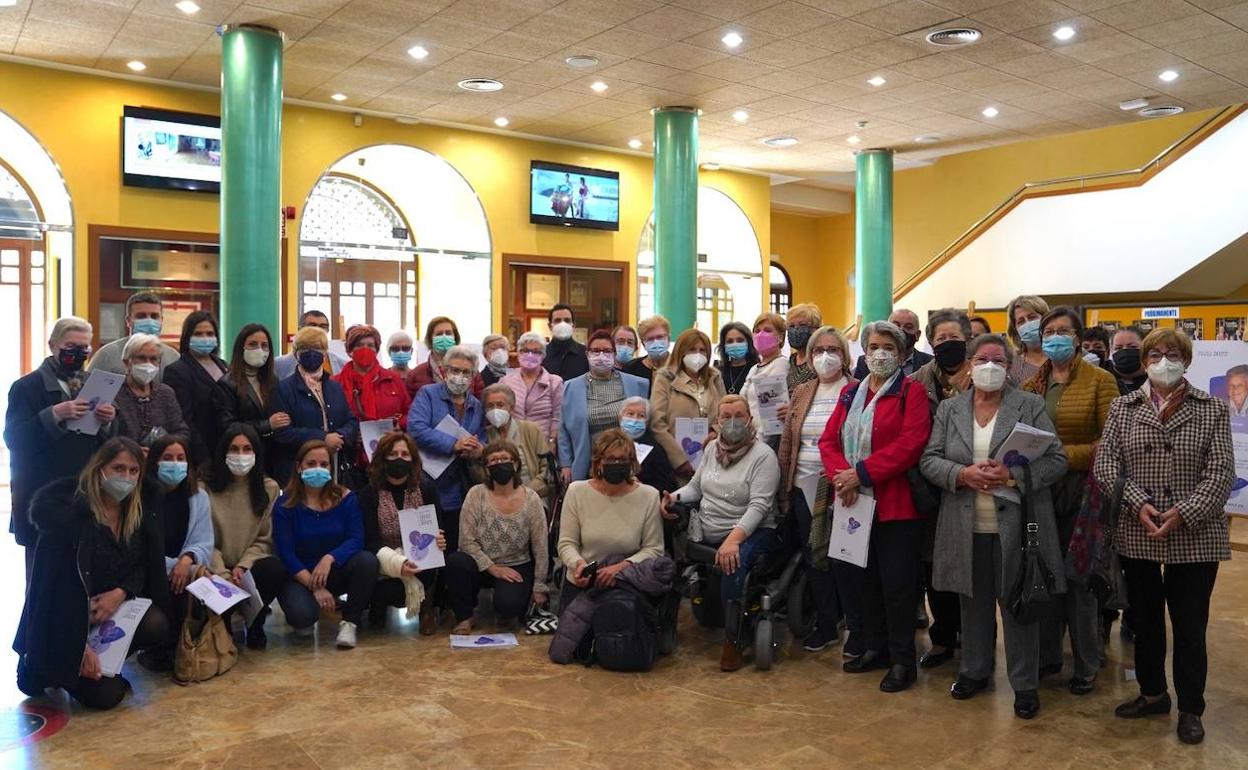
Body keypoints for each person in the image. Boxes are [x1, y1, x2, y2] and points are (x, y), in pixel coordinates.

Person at [1093, 328, 1235, 746]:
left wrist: (1185, 512)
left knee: (1190, 626)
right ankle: (1152, 693)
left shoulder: (1212, 408)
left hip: (1194, 533)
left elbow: (1221, 471)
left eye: (1172, 353)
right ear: (1144, 362)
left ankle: (1191, 707)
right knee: (1146, 622)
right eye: (1154, 354)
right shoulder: (1123, 408)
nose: (1163, 360)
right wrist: (1138, 504)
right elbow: (1106, 467)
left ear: (1186, 360)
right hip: (1138, 531)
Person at [919, 333, 1068, 717]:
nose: (989, 367)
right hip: (965, 525)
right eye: (982, 359)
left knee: (1018, 606)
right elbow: (929, 460)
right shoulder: (950, 410)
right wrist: (963, 474)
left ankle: (1024, 684)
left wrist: (1013, 475)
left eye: (998, 361)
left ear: (1009, 366)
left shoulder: (1029, 405)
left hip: (1017, 527)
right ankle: (974, 670)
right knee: (973, 605)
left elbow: (1056, 460)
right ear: (969, 365)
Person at [16, 437, 171, 709]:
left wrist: (121, 593)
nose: (126, 477)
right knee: (98, 695)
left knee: (156, 624)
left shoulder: (138, 514)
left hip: (109, 613)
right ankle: (65, 667)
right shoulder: (67, 518)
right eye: (118, 469)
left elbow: (142, 567)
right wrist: (78, 648)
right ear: (99, 469)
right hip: (66, 618)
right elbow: (49, 591)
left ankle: (111, 660)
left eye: (133, 471)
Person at [819, 320, 933, 693]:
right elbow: (828, 442)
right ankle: (875, 648)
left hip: (896, 506)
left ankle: (903, 661)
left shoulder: (911, 392)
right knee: (862, 582)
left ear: (901, 354)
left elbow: (910, 444)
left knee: (897, 586)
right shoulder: (851, 394)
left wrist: (861, 474)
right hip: (853, 503)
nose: (880, 353)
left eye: (888, 347)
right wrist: (843, 477)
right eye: (874, 346)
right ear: (864, 352)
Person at [1021, 305, 1119, 696]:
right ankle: (1048, 656)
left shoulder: (1100, 380)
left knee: (1078, 577)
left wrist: (1060, 456)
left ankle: (1087, 663)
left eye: (1064, 330)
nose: (1055, 337)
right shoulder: (1031, 387)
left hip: (1085, 491)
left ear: (1078, 337)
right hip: (1042, 490)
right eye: (1049, 331)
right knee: (1044, 572)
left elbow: (1108, 441)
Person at [663, 395, 781, 671]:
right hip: (709, 525)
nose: (732, 422)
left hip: (753, 529)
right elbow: (695, 487)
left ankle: (734, 638)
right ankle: (664, 621)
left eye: (739, 415)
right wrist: (673, 498)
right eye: (725, 416)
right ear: (716, 422)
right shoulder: (712, 449)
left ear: (750, 420)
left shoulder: (763, 456)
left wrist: (733, 541)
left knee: (732, 562)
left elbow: (759, 506)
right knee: (670, 547)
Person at [5, 316, 116, 579]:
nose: (77, 354)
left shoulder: (96, 384)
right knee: (42, 576)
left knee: (83, 572)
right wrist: (54, 414)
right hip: (41, 492)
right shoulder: (27, 387)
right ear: (52, 345)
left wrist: (108, 421)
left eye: (84, 348)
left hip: (83, 489)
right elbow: (14, 438)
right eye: (70, 347)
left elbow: (110, 443)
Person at [777, 327, 854, 654]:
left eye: (833, 349)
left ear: (845, 355)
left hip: (842, 487)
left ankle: (852, 622)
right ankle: (825, 623)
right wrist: (783, 487)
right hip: (802, 486)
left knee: (846, 559)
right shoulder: (802, 390)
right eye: (819, 349)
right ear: (808, 356)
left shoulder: (855, 390)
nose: (825, 356)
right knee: (815, 557)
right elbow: (788, 441)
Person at [910, 308, 973, 668]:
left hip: (975, 482)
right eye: (941, 339)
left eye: (954, 338)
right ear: (930, 342)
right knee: (935, 565)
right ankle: (943, 637)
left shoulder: (984, 373)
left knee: (974, 565)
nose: (948, 344)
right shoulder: (919, 380)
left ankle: (975, 636)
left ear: (966, 339)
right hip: (934, 483)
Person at [272, 440, 380, 649]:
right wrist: (316, 587)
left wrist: (330, 558)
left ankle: (350, 622)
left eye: (324, 464)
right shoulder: (284, 505)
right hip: (300, 575)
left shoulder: (346, 498)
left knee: (367, 561)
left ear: (331, 468)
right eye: (311, 464)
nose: (318, 469)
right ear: (298, 467)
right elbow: (286, 553)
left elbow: (356, 539)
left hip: (335, 569)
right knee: (302, 618)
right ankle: (306, 609)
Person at [446, 440, 549, 633]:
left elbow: (541, 545)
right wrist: (493, 568)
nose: (499, 464)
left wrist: (540, 585)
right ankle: (465, 617)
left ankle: (506, 611)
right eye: (493, 461)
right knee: (456, 561)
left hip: (517, 564)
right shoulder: (476, 494)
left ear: (516, 464)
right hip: (481, 563)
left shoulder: (531, 498)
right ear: (486, 468)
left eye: (505, 459)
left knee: (509, 606)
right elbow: (466, 541)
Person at [557, 429, 664, 608]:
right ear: (599, 463)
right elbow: (566, 543)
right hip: (583, 578)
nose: (616, 463)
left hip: (626, 580)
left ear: (631, 464)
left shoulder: (649, 496)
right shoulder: (576, 491)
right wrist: (578, 565)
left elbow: (654, 549)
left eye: (622, 460)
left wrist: (621, 567)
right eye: (610, 459)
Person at [356, 432, 444, 635]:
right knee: (369, 566)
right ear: (382, 458)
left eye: (405, 454)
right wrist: (397, 562)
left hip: (420, 561)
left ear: (413, 459)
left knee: (438, 563)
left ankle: (427, 609)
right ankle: (376, 608)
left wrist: (438, 540)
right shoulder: (369, 493)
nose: (399, 458)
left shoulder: (427, 488)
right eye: (393, 453)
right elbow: (369, 540)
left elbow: (436, 528)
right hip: (384, 562)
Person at [206, 423, 284, 650]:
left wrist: (243, 566)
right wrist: (223, 573)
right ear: (223, 452)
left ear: (256, 453)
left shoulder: (269, 488)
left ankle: (256, 624)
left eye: (247, 449)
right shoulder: (205, 488)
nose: (241, 456)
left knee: (274, 569)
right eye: (234, 449)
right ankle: (224, 623)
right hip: (215, 564)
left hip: (249, 565)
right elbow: (205, 541)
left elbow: (265, 538)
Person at [141, 433, 214, 669]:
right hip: (150, 572)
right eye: (168, 457)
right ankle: (157, 647)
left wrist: (187, 559)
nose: (175, 463)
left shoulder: (199, 496)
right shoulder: (140, 498)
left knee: (188, 584)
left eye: (181, 457)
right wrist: (175, 566)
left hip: (185, 569)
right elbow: (141, 548)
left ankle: (183, 646)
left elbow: (204, 540)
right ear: (154, 462)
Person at [407, 345, 486, 550]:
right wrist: (454, 444)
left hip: (458, 485)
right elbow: (416, 428)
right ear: (444, 371)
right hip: (425, 480)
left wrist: (479, 450)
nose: (459, 376)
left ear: (473, 375)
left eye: (465, 372)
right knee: (428, 543)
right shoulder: (428, 394)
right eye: (455, 370)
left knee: (452, 542)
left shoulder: (476, 405)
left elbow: (482, 437)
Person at [271, 326, 358, 486]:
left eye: (317, 348)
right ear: (296, 353)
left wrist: (340, 436)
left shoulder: (335, 387)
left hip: (335, 467)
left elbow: (351, 421)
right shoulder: (283, 389)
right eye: (304, 348)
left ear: (325, 353)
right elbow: (283, 433)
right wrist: (323, 438)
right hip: (298, 470)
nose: (311, 352)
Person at [559, 331, 649, 482]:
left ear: (614, 354)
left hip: (627, 462)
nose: (601, 355)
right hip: (588, 463)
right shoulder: (571, 387)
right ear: (587, 354)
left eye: (607, 351)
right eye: (595, 351)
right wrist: (566, 464)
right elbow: (563, 431)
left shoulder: (638, 384)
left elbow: (646, 425)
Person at [650, 328, 725, 482]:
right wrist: (679, 460)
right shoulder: (665, 378)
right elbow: (657, 423)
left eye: (702, 350)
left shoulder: (714, 378)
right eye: (692, 349)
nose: (697, 354)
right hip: (677, 465)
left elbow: (726, 413)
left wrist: (716, 431)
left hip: (713, 457)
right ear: (681, 351)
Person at [214, 323, 289, 476]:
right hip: (241, 458)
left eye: (264, 345)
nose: (259, 349)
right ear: (241, 348)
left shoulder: (273, 381)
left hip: (272, 459)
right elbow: (228, 426)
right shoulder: (226, 384)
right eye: (253, 344)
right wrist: (267, 425)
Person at [334, 324, 411, 471]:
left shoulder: (393, 379)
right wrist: (349, 435)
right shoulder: (336, 383)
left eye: (371, 345)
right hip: (350, 458)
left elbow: (409, 412)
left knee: (385, 494)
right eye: (359, 345)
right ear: (350, 350)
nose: (365, 349)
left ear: (377, 349)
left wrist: (398, 426)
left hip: (388, 456)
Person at [162, 310, 228, 468]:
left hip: (227, 448)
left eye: (210, 333)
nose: (205, 338)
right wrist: (203, 457)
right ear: (187, 337)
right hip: (199, 453)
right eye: (198, 333)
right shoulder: (177, 371)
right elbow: (183, 419)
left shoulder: (224, 365)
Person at [114, 333, 189, 444]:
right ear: (127, 362)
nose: (148, 364)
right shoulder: (114, 392)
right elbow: (108, 436)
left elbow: (182, 432)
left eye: (153, 359)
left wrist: (162, 447)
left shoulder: (166, 393)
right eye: (141, 358)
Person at [482, 384, 551, 504]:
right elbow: (483, 475)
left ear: (511, 407)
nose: (495, 409)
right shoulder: (485, 435)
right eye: (490, 406)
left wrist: (524, 493)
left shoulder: (530, 429)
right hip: (497, 500)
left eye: (500, 405)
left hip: (534, 496)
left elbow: (547, 468)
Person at [86, 292, 179, 380]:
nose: (149, 321)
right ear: (128, 320)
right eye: (141, 316)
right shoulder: (108, 355)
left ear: (161, 320)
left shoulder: (173, 357)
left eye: (154, 316)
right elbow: (89, 393)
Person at [502, 332, 564, 447]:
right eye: (525, 350)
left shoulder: (554, 382)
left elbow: (558, 417)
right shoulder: (506, 381)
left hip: (542, 445)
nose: (530, 355)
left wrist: (552, 441)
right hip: (512, 445)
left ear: (543, 355)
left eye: (536, 352)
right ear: (518, 353)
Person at [405, 316, 485, 399]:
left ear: (455, 338)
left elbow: (480, 403)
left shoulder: (470, 371)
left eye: (448, 333)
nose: (444, 337)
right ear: (430, 339)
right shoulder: (415, 374)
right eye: (439, 334)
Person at [617, 396, 677, 497]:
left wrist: (643, 488)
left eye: (641, 416)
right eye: (630, 414)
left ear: (647, 422)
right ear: (620, 417)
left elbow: (667, 486)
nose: (635, 419)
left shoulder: (656, 450)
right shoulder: (607, 444)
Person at [852, 308, 933, 379]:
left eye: (908, 327)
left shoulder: (929, 363)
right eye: (895, 325)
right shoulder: (864, 361)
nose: (900, 330)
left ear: (918, 335)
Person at [741, 312, 789, 429]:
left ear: (780, 337)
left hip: (763, 439)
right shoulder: (755, 368)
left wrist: (759, 444)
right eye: (757, 331)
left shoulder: (780, 364)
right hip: (747, 435)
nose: (761, 334)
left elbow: (772, 414)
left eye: (767, 330)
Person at [274, 310, 349, 379]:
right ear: (300, 329)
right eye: (312, 326)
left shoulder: (342, 364)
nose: (318, 330)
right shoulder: (279, 365)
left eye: (323, 326)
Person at [1006, 295, 1050, 385]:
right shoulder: (1011, 366)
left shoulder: (1065, 353)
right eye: (1021, 321)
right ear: (1015, 329)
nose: (1028, 324)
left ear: (1046, 318)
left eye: (1032, 317)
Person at [542, 304, 589, 383]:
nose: (562, 324)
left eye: (567, 320)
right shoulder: (541, 354)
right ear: (550, 326)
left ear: (573, 325)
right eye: (557, 320)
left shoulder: (585, 354)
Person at [623, 315, 671, 385]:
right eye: (650, 339)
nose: (656, 342)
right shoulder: (631, 369)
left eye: (660, 337)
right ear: (643, 344)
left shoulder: (680, 366)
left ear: (668, 339)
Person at [785, 303, 822, 392]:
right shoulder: (791, 360)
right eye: (791, 326)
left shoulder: (823, 359)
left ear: (816, 329)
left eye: (802, 325)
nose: (796, 330)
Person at [716, 321, 758, 396]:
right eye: (730, 341)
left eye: (740, 340)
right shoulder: (717, 373)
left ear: (749, 343)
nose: (735, 344)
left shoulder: (757, 370)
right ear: (724, 346)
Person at [1109, 326, 1148, 395]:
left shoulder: (1156, 382)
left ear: (1144, 348)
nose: (1125, 351)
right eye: (1118, 348)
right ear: (1111, 351)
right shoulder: (1104, 381)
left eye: (1133, 347)